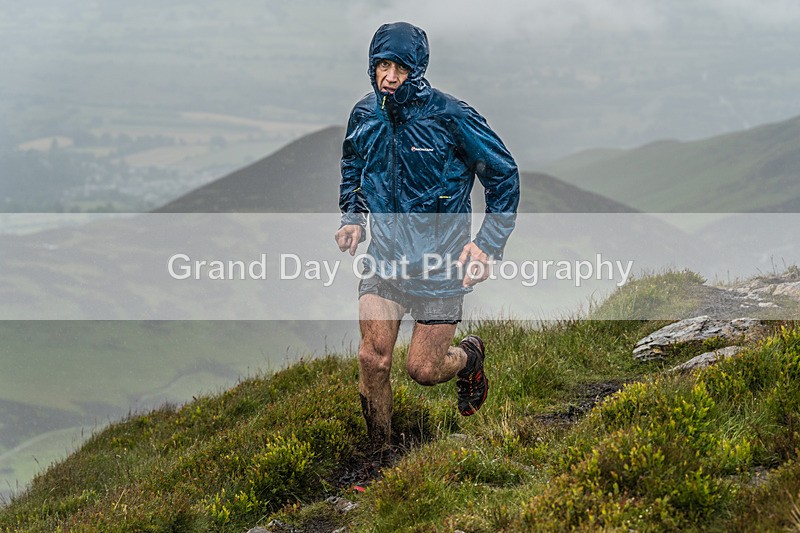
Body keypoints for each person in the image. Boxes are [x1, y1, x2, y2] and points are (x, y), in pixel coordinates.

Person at [335, 21, 520, 454]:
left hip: (441, 266)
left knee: (423, 368)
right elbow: (352, 166)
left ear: (417, 69)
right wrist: (353, 217)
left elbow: (504, 175)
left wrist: (488, 243)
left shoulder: (450, 116)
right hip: (385, 260)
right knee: (372, 358)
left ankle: (469, 359)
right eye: (382, 65)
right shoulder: (365, 115)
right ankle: (378, 454)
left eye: (400, 67)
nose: (390, 76)